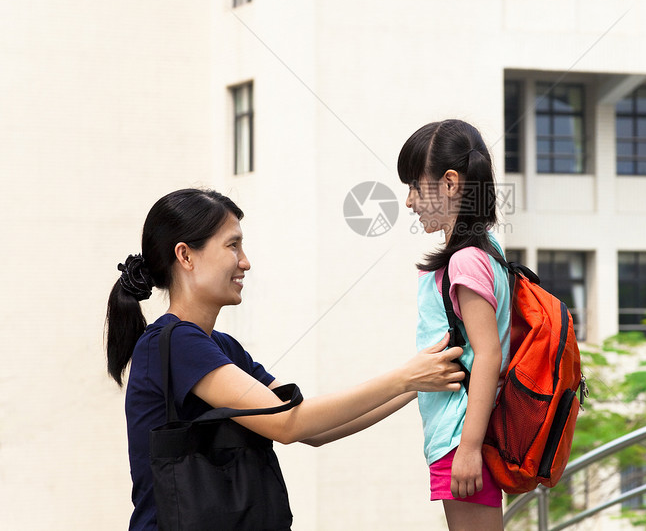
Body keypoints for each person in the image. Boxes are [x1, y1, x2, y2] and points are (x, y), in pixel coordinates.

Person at [105, 188, 465, 531]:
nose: (245, 262)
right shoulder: (175, 343)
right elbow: (288, 423)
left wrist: (423, 383)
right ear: (185, 256)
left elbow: (315, 429)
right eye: (233, 245)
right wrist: (406, 378)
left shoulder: (222, 348)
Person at [398, 119, 511, 531]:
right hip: (462, 436)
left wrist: (468, 448)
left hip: (459, 437)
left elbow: (488, 353)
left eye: (414, 185)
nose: (409, 201)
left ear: (449, 182)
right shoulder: (487, 249)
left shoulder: (464, 260)